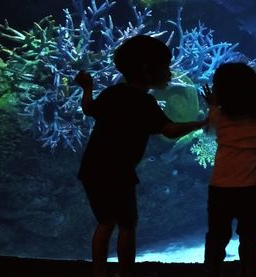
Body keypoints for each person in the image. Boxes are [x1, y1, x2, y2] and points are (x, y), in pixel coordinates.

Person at [74, 35, 207, 277]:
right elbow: (170, 130)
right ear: (147, 70)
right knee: (127, 225)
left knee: (105, 222)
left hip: (92, 168)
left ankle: (98, 273)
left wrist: (87, 88)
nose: (169, 73)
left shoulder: (113, 93)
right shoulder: (144, 102)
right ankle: (125, 273)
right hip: (118, 172)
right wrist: (204, 122)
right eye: (166, 67)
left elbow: (89, 109)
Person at [200, 62, 256, 277]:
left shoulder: (218, 117)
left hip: (221, 188)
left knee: (217, 236)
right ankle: (249, 272)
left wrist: (213, 106)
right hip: (251, 188)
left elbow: (209, 133)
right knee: (250, 236)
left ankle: (212, 272)